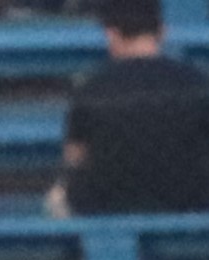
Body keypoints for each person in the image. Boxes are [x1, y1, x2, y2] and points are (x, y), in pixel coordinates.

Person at [59, 0, 209, 219]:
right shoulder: (197, 82)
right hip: (191, 204)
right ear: (162, 32)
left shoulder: (93, 89)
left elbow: (74, 158)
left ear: (111, 34)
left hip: (109, 209)